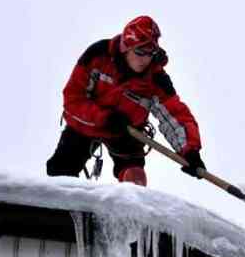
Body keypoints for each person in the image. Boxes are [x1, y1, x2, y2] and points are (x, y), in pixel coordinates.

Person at [46, 15, 206, 186]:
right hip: (86, 124)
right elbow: (72, 99)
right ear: (126, 48)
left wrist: (190, 151)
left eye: (150, 53)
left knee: (135, 179)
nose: (145, 59)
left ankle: (128, 210)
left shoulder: (156, 79)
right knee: (60, 171)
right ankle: (64, 208)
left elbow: (176, 114)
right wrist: (104, 118)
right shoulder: (97, 56)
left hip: (127, 132)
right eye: (140, 52)